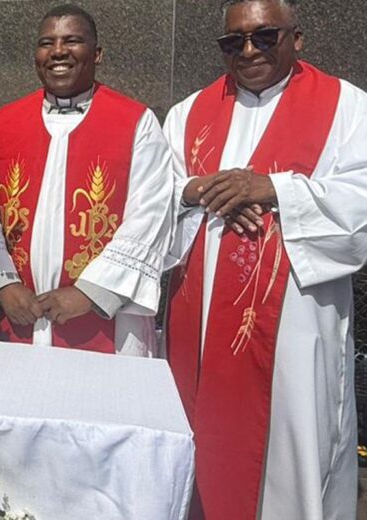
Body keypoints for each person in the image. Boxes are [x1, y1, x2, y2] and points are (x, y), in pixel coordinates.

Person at [163, 1, 366, 518]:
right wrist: (197, 193)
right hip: (200, 325)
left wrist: (272, 189)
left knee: (290, 454)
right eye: (234, 42)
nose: (248, 50)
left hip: (294, 333)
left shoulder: (349, 108)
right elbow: (151, 200)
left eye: (264, 36)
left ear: (296, 38)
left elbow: (360, 201)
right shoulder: (187, 114)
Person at [0, 4, 174, 355]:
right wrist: (3, 284)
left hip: (104, 318)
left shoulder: (135, 122)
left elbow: (151, 214)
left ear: (97, 53)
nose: (58, 51)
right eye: (47, 43)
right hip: (18, 309)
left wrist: (91, 292)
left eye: (72, 41)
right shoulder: (5, 121)